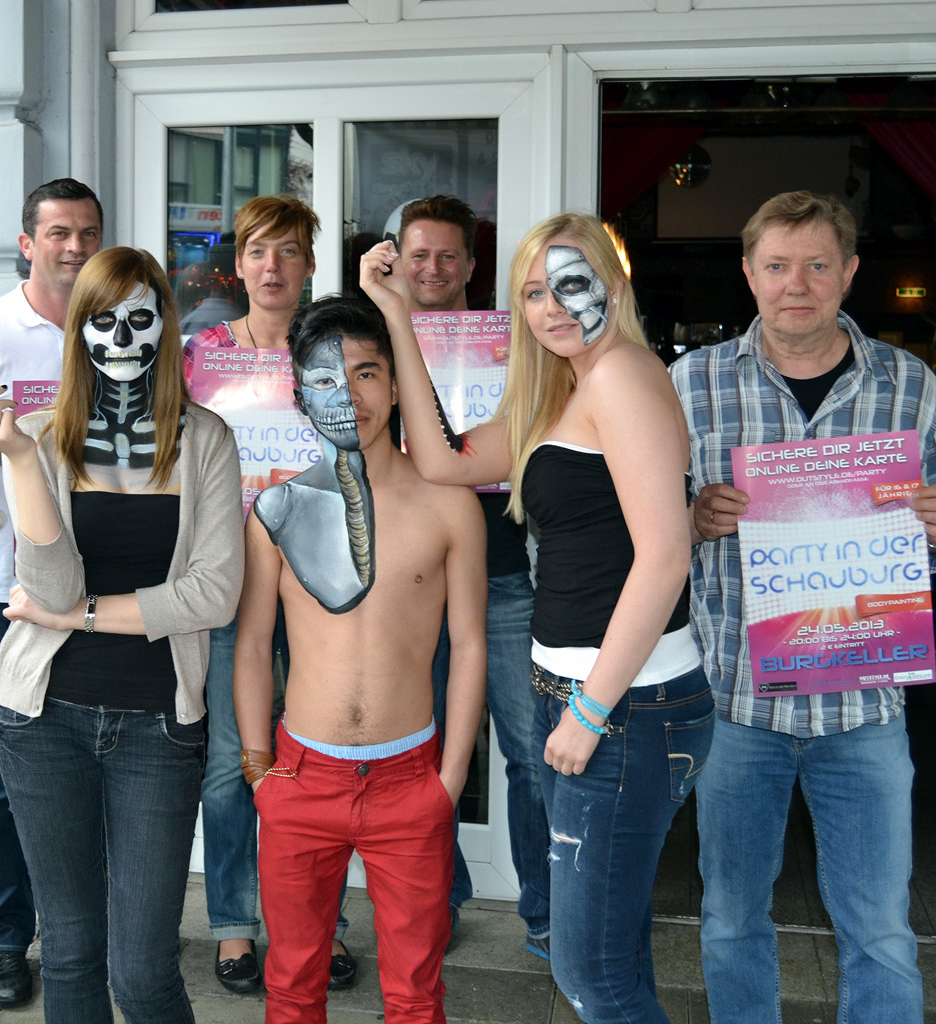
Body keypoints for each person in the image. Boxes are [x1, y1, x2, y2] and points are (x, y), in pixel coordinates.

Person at [361, 212, 714, 1023]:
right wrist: (396, 318)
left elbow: (664, 557)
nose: (551, 307)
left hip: (622, 708)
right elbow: (440, 459)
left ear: (614, 286)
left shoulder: (619, 375)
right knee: (611, 961)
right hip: (588, 700)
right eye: (531, 293)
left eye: (569, 284)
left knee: (591, 976)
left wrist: (589, 712)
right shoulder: (566, 390)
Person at [0, 246, 243, 1024]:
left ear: (165, 326)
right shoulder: (36, 438)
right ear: (77, 331)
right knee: (69, 954)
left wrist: (79, 615)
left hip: (158, 725)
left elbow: (214, 595)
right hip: (42, 721)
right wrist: (19, 457)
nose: (121, 337)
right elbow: (50, 584)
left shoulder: (205, 440)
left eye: (138, 318)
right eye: (101, 320)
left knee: (144, 972)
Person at [672, 191, 929, 1024]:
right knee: (729, 916)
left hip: (863, 706)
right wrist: (689, 519)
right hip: (735, 703)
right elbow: (639, 528)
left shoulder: (910, 385)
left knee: (880, 929)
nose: (796, 284)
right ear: (748, 273)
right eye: (777, 266)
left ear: (847, 272)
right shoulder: (690, 382)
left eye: (816, 265)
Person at [234, 294, 487, 1024]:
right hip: (299, 777)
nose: (347, 396)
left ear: (398, 384)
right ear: (298, 396)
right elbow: (251, 644)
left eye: (365, 373)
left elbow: (470, 644)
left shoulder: (449, 505)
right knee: (292, 983)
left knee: (415, 995)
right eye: (324, 379)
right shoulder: (275, 510)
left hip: (410, 780)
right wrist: (258, 771)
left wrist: (450, 779)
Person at [182, 193, 357, 993]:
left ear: (309, 263)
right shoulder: (201, 354)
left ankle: (323, 924)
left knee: (320, 758)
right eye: (258, 250)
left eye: (288, 250)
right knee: (228, 765)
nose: (272, 265)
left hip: (319, 579)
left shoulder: (334, 349)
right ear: (239, 263)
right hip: (230, 582)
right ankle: (232, 924)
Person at [0, 177, 103, 1009]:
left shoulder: (118, 326)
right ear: (26, 243)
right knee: (2, 769)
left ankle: (90, 929)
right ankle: (4, 938)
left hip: (108, 587)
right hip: (5, 589)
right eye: (58, 233)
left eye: (87, 233)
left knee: (103, 761)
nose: (73, 247)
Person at [396, 194, 550, 955]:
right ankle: (440, 898)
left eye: (446, 256)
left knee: (531, 752)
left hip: (504, 576)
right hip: (412, 582)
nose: (432, 268)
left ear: (469, 266)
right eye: (417, 255)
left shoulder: (514, 345)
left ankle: (546, 912)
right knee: (418, 751)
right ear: (397, 260)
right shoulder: (377, 342)